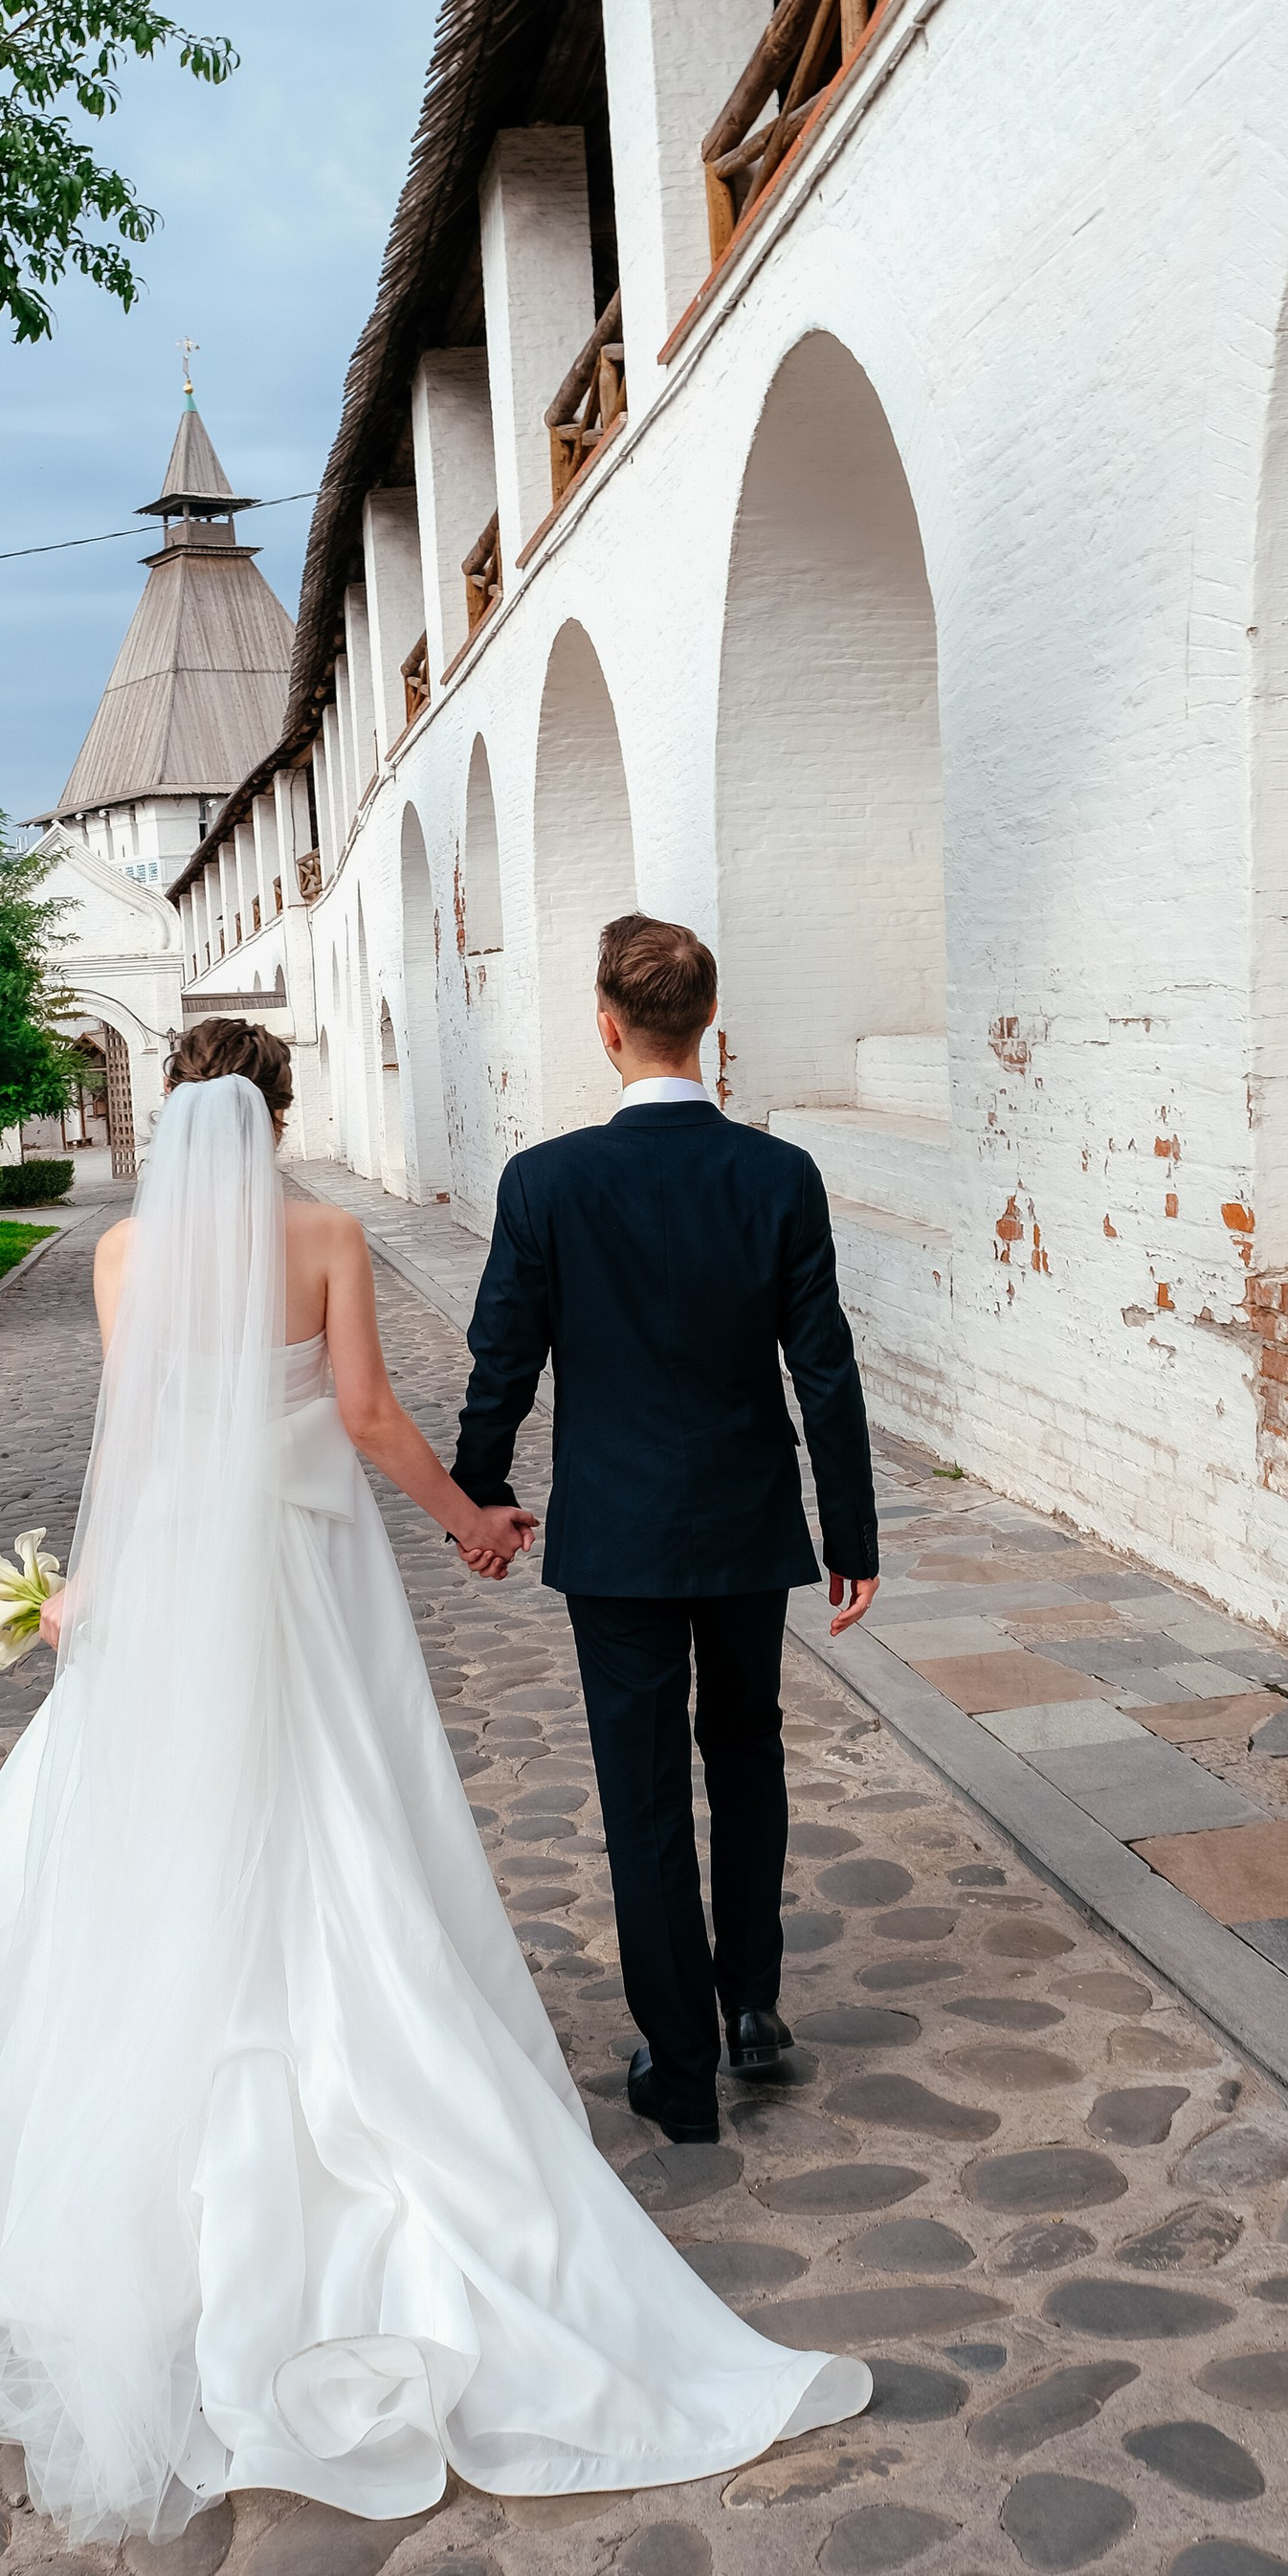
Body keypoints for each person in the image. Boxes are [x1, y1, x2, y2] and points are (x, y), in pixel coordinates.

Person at [0, 1016, 870, 2541]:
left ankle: (136, 2098)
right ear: (280, 1105)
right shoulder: (321, 1237)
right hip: (305, 1572)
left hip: (178, 1576)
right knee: (336, 1815)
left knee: (157, 1830)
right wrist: (469, 1517)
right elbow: (366, 1416)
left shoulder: (122, 1261)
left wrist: (83, 1592)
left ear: (176, 1111)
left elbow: (141, 1437)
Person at [453, 915, 881, 2147]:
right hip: (746, 1522)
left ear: (606, 1028)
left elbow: (503, 1359)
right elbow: (827, 1368)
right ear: (710, 1029)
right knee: (748, 1752)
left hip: (620, 1536)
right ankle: (752, 2004)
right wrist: (849, 1530)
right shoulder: (775, 1175)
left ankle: (679, 2060)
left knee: (642, 1789)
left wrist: (479, 1492)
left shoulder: (546, 1182)